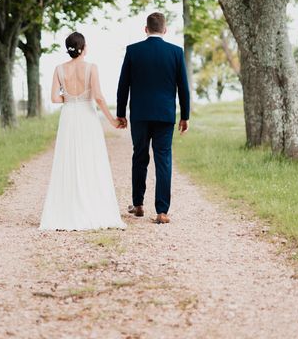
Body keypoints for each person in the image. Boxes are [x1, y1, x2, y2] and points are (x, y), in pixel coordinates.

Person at [39, 32, 126, 231]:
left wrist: (70, 99)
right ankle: (93, 207)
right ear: (83, 47)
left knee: (68, 160)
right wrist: (112, 120)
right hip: (87, 116)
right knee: (91, 160)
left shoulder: (59, 69)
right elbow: (99, 97)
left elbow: (54, 98)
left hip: (69, 116)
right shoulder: (91, 68)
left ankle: (67, 210)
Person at [116, 12, 190, 224]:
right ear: (165, 30)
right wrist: (185, 115)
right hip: (165, 115)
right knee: (163, 159)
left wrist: (121, 113)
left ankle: (138, 204)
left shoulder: (133, 51)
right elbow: (183, 87)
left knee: (139, 156)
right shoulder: (176, 52)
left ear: (145, 29)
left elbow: (123, 85)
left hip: (139, 114)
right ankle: (162, 211)